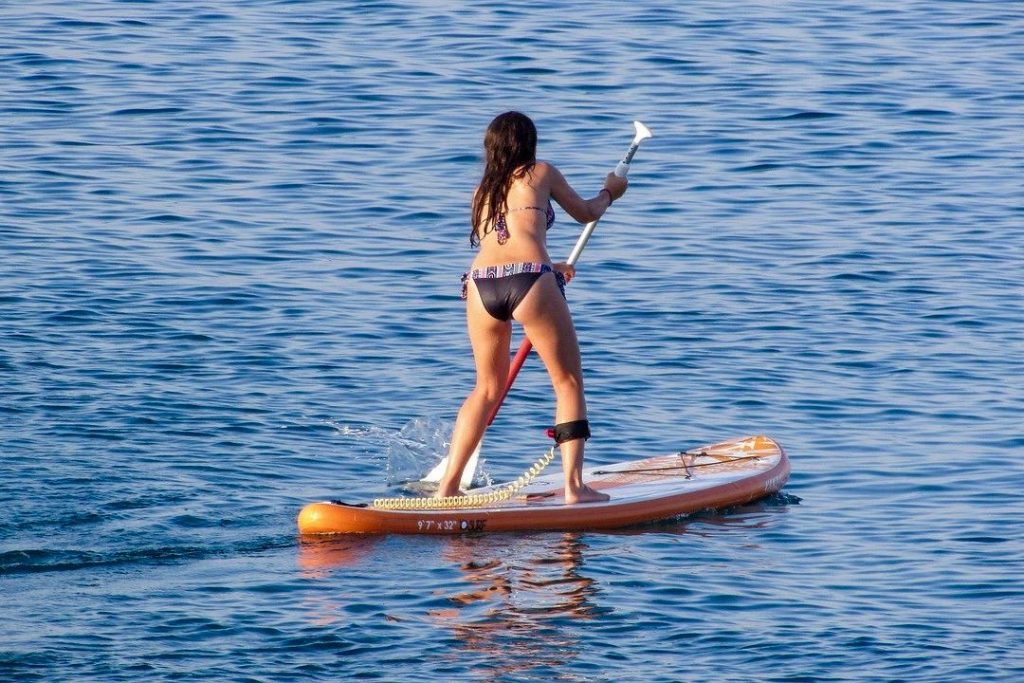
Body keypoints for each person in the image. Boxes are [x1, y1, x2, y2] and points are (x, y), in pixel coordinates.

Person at [436, 111, 628, 504]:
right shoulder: (540, 172)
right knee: (568, 382)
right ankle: (575, 489)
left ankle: (447, 488)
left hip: (479, 286)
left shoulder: (482, 191)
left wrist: (551, 267)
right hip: (529, 281)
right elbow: (587, 213)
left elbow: (502, 243)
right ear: (529, 143)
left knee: (486, 389)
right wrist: (611, 191)